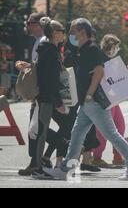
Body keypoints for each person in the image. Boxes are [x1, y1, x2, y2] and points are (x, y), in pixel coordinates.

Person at [44, 18, 128, 181]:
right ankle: (67, 168)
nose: (70, 33)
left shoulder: (91, 49)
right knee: (76, 134)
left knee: (111, 134)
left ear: (82, 31)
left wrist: (89, 93)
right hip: (86, 103)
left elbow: (99, 71)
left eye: (73, 30)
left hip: (93, 102)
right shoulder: (83, 49)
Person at [30, 17, 68, 179]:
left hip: (46, 97)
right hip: (46, 98)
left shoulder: (47, 49)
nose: (63, 34)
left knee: (44, 131)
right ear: (53, 33)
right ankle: (38, 167)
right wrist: (58, 102)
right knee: (42, 132)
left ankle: (38, 165)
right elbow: (49, 80)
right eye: (61, 31)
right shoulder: (50, 52)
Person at [16, 13, 48, 176]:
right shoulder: (39, 41)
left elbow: (39, 67)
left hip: (40, 91)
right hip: (40, 90)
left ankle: (36, 161)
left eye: (30, 23)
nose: (28, 26)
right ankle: (40, 158)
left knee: (35, 128)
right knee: (38, 127)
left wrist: (26, 66)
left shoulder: (42, 42)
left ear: (38, 25)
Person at [92, 34, 126, 168]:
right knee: (104, 130)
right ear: (109, 47)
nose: (116, 49)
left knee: (120, 126)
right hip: (104, 99)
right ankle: (97, 157)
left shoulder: (112, 60)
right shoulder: (101, 58)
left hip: (113, 98)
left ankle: (117, 156)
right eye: (115, 46)